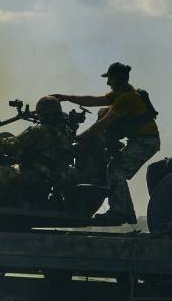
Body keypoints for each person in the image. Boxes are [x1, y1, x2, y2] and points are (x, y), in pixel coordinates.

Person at [53, 62, 160, 225]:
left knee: (116, 169)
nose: (107, 83)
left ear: (117, 78)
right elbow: (93, 100)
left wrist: (80, 137)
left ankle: (118, 212)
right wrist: (67, 98)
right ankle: (127, 213)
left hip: (145, 142)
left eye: (109, 78)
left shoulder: (126, 98)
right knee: (116, 169)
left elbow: (103, 124)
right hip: (141, 140)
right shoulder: (121, 94)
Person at [0, 96, 75, 208]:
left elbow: (13, 145)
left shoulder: (38, 130)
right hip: (54, 178)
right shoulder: (67, 133)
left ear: (42, 113)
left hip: (33, 175)